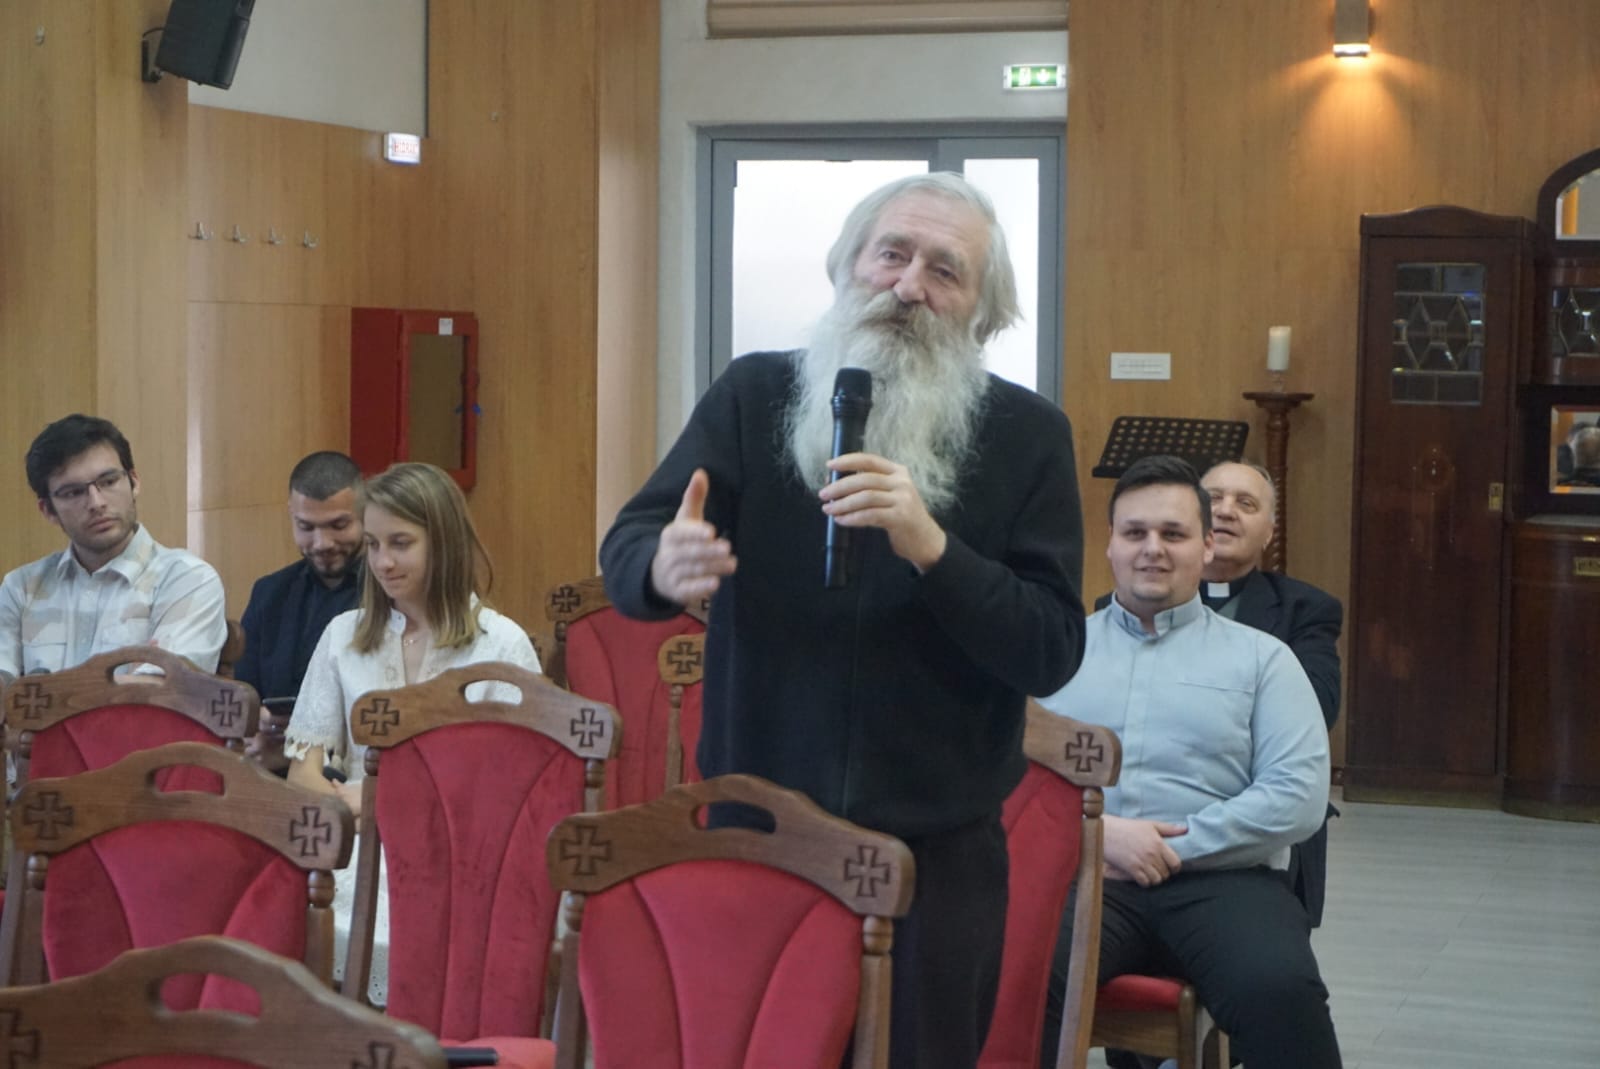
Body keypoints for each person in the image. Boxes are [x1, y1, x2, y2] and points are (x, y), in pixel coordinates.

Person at [600, 172, 1086, 1069]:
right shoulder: (754, 393)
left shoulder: (1028, 436)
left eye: (945, 271)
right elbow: (631, 541)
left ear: (982, 313)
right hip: (758, 829)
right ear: (847, 266)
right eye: (891, 254)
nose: (908, 286)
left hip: (937, 852)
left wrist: (932, 547)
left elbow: (1051, 646)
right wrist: (659, 566)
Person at [1037, 455, 1340, 1069]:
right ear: (1110, 544)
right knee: (1013, 980)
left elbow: (1298, 794)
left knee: (1281, 990)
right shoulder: (1058, 652)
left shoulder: (1264, 660)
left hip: (1225, 880)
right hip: (1088, 876)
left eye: (1173, 534)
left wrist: (1171, 846)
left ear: (1205, 547)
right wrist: (1100, 836)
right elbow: (1008, 780)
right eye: (1135, 532)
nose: (1153, 548)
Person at [281, 461, 540, 1002]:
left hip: (458, 860)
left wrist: (382, 800)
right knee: (279, 913)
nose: (382, 562)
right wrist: (355, 805)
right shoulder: (343, 635)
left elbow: (512, 796)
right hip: (354, 851)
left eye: (400, 543)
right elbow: (303, 773)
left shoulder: (501, 644)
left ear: (443, 542)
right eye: (373, 544)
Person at [1199, 459, 1343, 925]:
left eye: (1245, 503)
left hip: (1264, 818)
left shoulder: (1305, 609)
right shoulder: (1131, 605)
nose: (1225, 511)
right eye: (1213, 499)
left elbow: (1317, 707)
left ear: (1269, 534)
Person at [0, 414, 226, 677]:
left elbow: (163, 696)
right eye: (73, 492)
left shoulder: (187, 579)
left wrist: (40, 693)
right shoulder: (20, 589)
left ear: (134, 481)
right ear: (48, 510)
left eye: (108, 482)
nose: (96, 503)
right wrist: (123, 684)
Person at [235, 451, 366, 726]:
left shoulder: (392, 594)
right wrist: (257, 722)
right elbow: (241, 692)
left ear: (365, 514)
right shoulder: (270, 593)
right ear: (291, 515)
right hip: (272, 748)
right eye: (306, 527)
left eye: (338, 525)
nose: (322, 543)